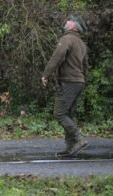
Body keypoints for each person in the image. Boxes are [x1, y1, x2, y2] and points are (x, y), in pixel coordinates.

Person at [40, 15, 89, 157]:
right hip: (78, 82)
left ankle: (79, 139)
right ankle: (70, 146)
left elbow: (57, 57)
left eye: (69, 20)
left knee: (59, 113)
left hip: (68, 82)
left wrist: (46, 74)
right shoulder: (81, 43)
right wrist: (82, 80)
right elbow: (85, 67)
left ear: (73, 26)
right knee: (68, 114)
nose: (66, 21)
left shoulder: (66, 39)